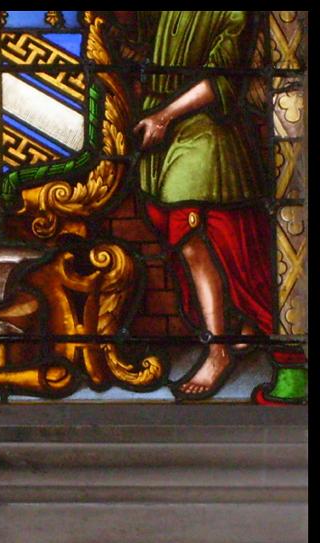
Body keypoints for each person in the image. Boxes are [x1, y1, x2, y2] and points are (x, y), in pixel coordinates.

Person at [119, 11, 272, 399]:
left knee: (195, 236)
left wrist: (165, 115)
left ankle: (217, 350)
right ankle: (244, 320)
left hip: (207, 127)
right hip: (161, 131)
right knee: (199, 239)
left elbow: (222, 79)